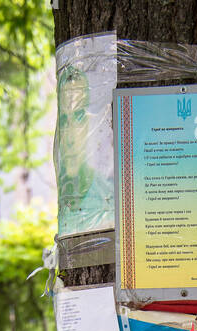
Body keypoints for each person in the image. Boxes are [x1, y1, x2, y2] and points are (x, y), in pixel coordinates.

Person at [57, 65, 113, 236]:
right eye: (64, 120)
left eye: (79, 116)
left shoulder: (108, 202)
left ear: (90, 123)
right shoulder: (64, 199)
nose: (72, 137)